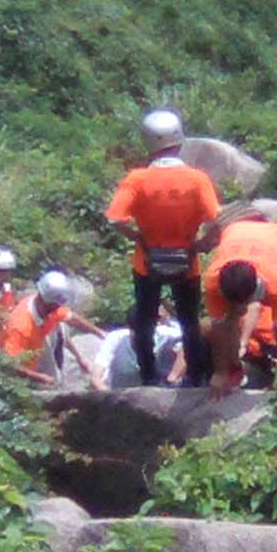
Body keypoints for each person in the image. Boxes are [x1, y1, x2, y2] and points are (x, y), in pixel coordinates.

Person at [104, 108, 220, 388]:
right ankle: (194, 376)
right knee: (189, 319)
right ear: (179, 143)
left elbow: (114, 218)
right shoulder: (196, 178)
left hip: (147, 260)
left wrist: (138, 237)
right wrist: (202, 244)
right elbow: (216, 220)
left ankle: (149, 376)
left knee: (145, 319)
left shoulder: (137, 179)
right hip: (187, 259)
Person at [202, 212, 277, 392]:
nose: (243, 309)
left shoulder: (276, 284)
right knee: (230, 321)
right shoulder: (212, 281)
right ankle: (236, 368)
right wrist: (220, 372)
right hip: (237, 231)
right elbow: (220, 328)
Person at [0, 268, 104, 384]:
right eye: (55, 306)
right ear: (45, 303)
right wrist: (39, 377)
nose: (58, 309)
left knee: (61, 324)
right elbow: (9, 364)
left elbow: (72, 318)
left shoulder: (47, 307)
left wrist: (99, 333)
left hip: (37, 349)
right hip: (21, 374)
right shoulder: (20, 327)